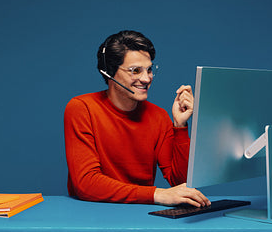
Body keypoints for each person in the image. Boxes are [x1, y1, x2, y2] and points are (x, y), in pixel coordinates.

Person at [64, 30, 210, 207]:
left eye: (149, 70)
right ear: (110, 72)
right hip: (93, 212)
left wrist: (180, 126)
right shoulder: (82, 108)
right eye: (135, 71)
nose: (146, 78)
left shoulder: (158, 116)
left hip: (139, 215)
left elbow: (181, 184)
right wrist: (157, 194)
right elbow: (86, 184)